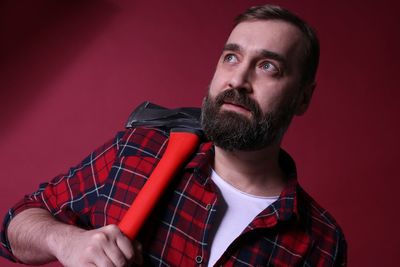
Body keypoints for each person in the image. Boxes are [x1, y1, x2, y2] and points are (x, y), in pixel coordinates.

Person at [0, 4, 347, 267]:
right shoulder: (139, 152)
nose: (238, 80)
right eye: (231, 57)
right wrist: (67, 241)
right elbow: (17, 222)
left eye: (268, 66)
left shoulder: (321, 242)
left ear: (303, 97)